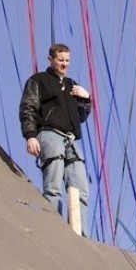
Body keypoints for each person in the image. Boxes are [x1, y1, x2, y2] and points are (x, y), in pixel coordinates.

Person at [19, 43, 92, 235]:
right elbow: (28, 107)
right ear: (50, 60)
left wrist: (86, 99)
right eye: (61, 60)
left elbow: (81, 117)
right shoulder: (39, 81)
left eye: (67, 60)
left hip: (71, 139)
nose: (64, 64)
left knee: (81, 188)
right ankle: (52, 230)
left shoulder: (71, 85)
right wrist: (31, 136)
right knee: (53, 185)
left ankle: (80, 234)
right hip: (50, 133)